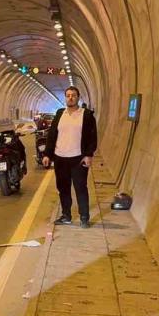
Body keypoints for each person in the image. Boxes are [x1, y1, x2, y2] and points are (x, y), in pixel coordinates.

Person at [42, 86, 98, 228]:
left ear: (78, 97)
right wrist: (47, 154)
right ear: (65, 98)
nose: (70, 98)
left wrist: (89, 155)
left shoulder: (86, 115)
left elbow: (92, 137)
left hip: (78, 159)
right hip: (60, 158)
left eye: (73, 95)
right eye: (68, 95)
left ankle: (84, 217)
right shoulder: (60, 114)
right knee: (63, 189)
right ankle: (66, 215)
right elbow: (52, 135)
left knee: (80, 188)